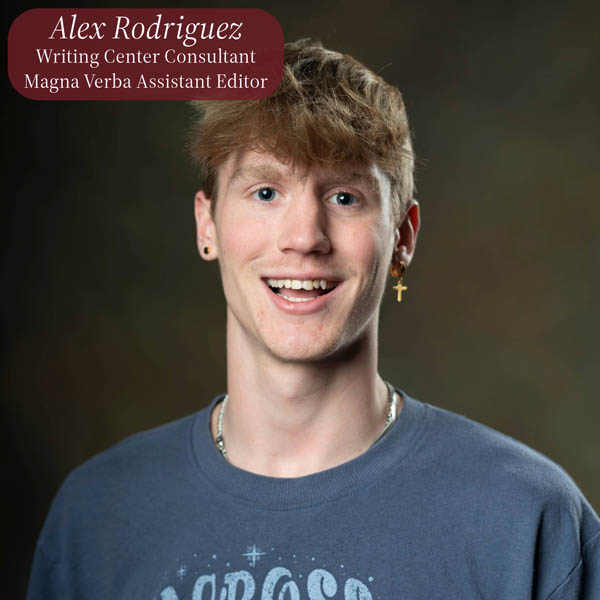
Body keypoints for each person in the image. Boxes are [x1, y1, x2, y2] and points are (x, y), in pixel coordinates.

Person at [28, 39, 599, 600]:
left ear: (402, 237)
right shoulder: (96, 516)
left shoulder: (525, 518)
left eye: (346, 197)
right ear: (208, 226)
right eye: (266, 191)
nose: (304, 238)